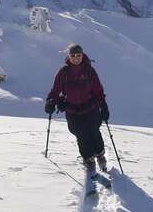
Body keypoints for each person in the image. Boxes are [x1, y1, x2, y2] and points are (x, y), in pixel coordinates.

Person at [45, 44, 110, 176]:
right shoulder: (63, 72)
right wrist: (50, 101)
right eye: (73, 55)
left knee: (93, 132)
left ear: (82, 55)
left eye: (78, 55)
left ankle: (100, 155)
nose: (76, 58)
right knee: (80, 134)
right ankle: (88, 159)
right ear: (69, 56)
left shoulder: (89, 71)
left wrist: (103, 105)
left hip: (90, 108)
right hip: (72, 109)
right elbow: (55, 90)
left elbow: (98, 90)